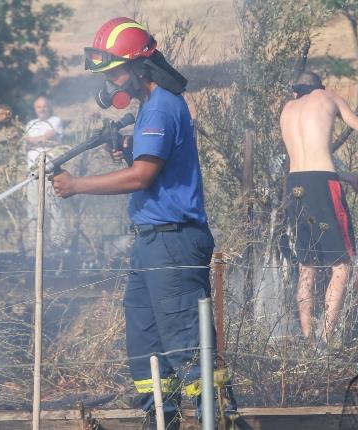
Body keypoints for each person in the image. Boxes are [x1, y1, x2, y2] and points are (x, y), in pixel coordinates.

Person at [51, 17, 212, 429]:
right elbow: (150, 166)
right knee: (145, 344)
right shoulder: (148, 109)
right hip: (151, 242)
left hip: (172, 242)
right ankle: (161, 420)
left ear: (141, 65)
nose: (115, 83)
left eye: (117, 71)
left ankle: (217, 419)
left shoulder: (161, 106)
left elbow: (142, 177)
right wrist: (128, 150)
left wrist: (77, 184)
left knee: (185, 345)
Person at [279, 71, 358, 345]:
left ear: (296, 92)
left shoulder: (287, 109)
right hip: (323, 187)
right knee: (341, 264)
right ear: (320, 87)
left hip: (295, 185)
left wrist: (346, 177)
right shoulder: (327, 97)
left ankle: (308, 339)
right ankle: (326, 340)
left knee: (307, 266)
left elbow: (308, 162)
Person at [22, 96, 68, 250]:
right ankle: (33, 246)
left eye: (44, 106)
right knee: (33, 209)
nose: (42, 109)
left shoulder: (55, 121)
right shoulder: (30, 124)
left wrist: (32, 140)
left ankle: (58, 245)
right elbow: (24, 141)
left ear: (49, 107)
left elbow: (48, 137)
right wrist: (33, 140)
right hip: (32, 173)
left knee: (54, 208)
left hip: (50, 173)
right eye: (38, 107)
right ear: (35, 109)